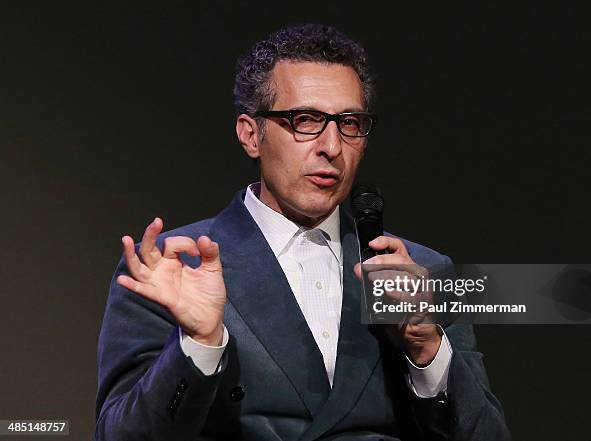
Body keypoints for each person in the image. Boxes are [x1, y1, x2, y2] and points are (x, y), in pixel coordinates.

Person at [96, 24, 510, 440]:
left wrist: (427, 350)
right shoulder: (171, 268)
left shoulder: (423, 271)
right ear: (250, 135)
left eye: (349, 123)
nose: (332, 146)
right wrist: (199, 345)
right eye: (305, 120)